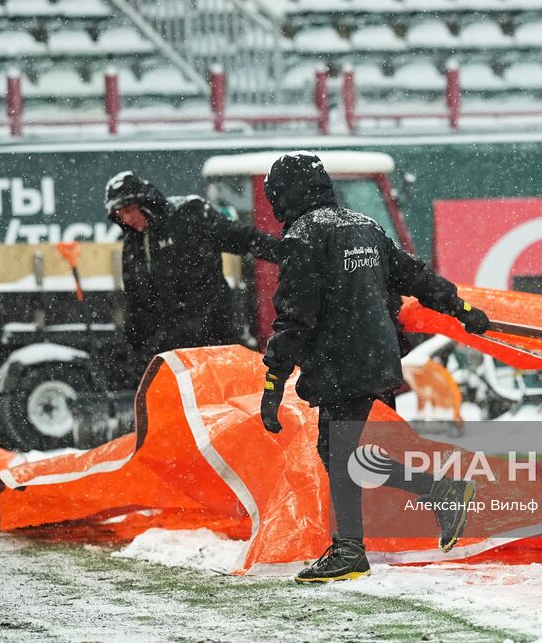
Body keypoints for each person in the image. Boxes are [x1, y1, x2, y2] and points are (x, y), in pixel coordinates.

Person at [257, 152, 492, 584]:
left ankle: (351, 548)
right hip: (376, 357)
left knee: (339, 452)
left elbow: (294, 316)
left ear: (283, 195)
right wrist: (460, 307)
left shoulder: (303, 237)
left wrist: (274, 380)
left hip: (338, 362)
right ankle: (436, 492)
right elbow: (414, 275)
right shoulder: (364, 225)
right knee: (339, 452)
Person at [104, 171, 279, 371]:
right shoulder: (132, 247)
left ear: (145, 201)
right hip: (170, 356)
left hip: (216, 341)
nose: (126, 219)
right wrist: (137, 350)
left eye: (128, 209)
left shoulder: (189, 214)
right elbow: (135, 303)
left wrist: (286, 252)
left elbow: (241, 237)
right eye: (119, 215)